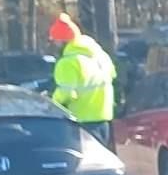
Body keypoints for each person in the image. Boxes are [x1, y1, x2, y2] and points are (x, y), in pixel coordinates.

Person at [47, 15, 116, 143]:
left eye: (55, 41)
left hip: (81, 122)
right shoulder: (100, 56)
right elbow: (112, 76)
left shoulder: (68, 62)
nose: (54, 45)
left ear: (63, 41)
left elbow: (66, 93)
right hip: (104, 119)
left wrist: (51, 102)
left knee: (84, 161)